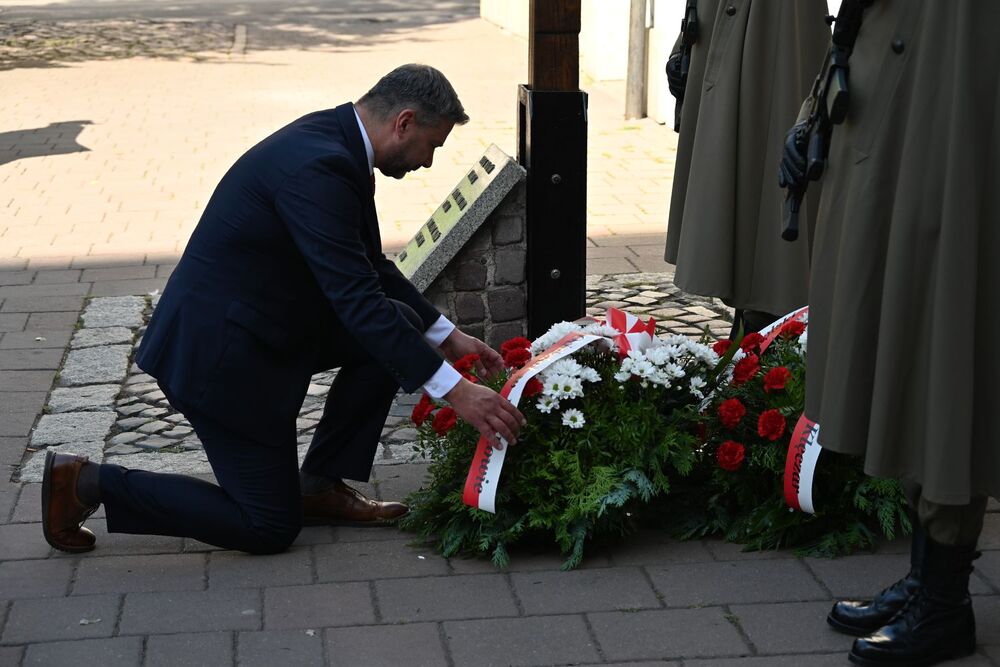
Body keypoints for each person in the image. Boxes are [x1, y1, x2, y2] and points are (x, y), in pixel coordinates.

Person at [41, 64, 525, 555]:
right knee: (268, 526)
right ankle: (85, 482)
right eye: (432, 145)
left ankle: (317, 487)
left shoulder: (336, 140)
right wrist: (456, 391)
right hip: (220, 357)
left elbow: (370, 265)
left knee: (397, 327)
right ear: (404, 123)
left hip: (260, 327)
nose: (428, 162)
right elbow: (357, 301)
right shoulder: (322, 167)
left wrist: (444, 334)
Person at [783, 2, 1000, 664]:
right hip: (899, 100)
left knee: (946, 330)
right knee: (903, 326)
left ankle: (943, 602)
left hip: (950, 110)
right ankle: (925, 579)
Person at [664, 0, 830, 336]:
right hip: (723, 20)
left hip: (777, 22)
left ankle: (772, 313)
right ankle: (753, 312)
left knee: (773, 144)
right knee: (732, 153)